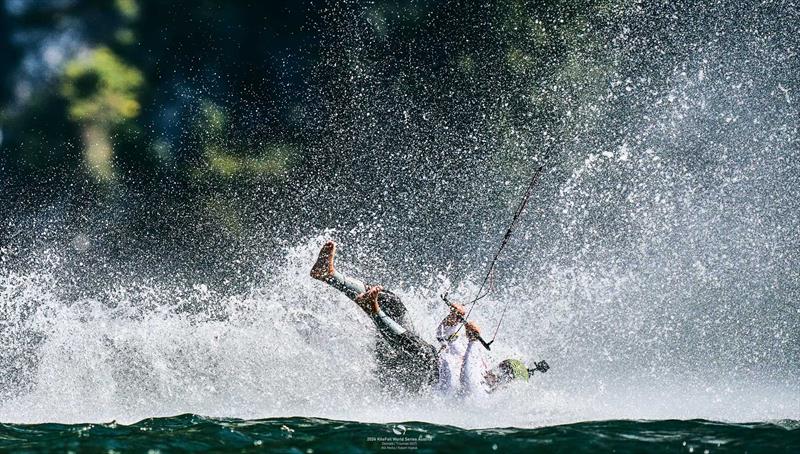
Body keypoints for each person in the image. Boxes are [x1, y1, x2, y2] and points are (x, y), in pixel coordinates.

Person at [310, 240, 531, 395]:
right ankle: (329, 275)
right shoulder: (482, 364)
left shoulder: (482, 397)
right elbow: (444, 337)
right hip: (408, 356)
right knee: (394, 303)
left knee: (426, 355)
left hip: (412, 381)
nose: (498, 373)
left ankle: (373, 310)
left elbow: (467, 379)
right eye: (502, 367)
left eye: (504, 374)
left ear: (506, 385)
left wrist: (473, 341)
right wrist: (453, 320)